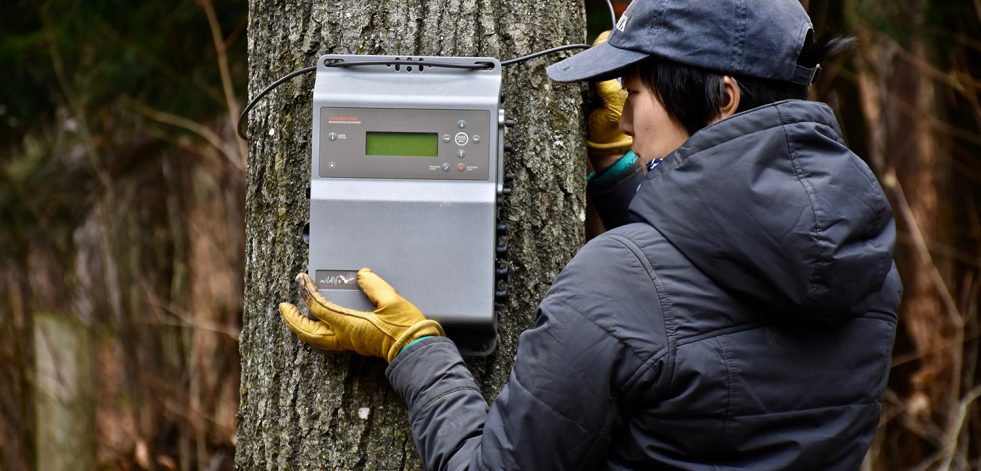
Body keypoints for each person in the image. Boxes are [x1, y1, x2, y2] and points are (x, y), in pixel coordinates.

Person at [278, 0, 902, 469]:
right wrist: (617, 169)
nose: (625, 117)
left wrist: (414, 351)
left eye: (635, 93)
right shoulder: (866, 264)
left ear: (723, 98)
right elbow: (704, 299)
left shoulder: (615, 283)